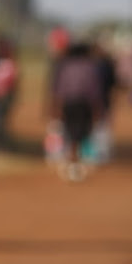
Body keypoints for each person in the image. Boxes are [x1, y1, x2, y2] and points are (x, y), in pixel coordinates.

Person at [50, 42, 104, 181]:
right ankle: (75, 161)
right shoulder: (90, 67)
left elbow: (59, 89)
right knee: (81, 133)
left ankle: (73, 160)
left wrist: (57, 107)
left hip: (69, 103)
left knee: (71, 132)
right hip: (83, 104)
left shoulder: (65, 67)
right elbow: (94, 91)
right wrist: (96, 109)